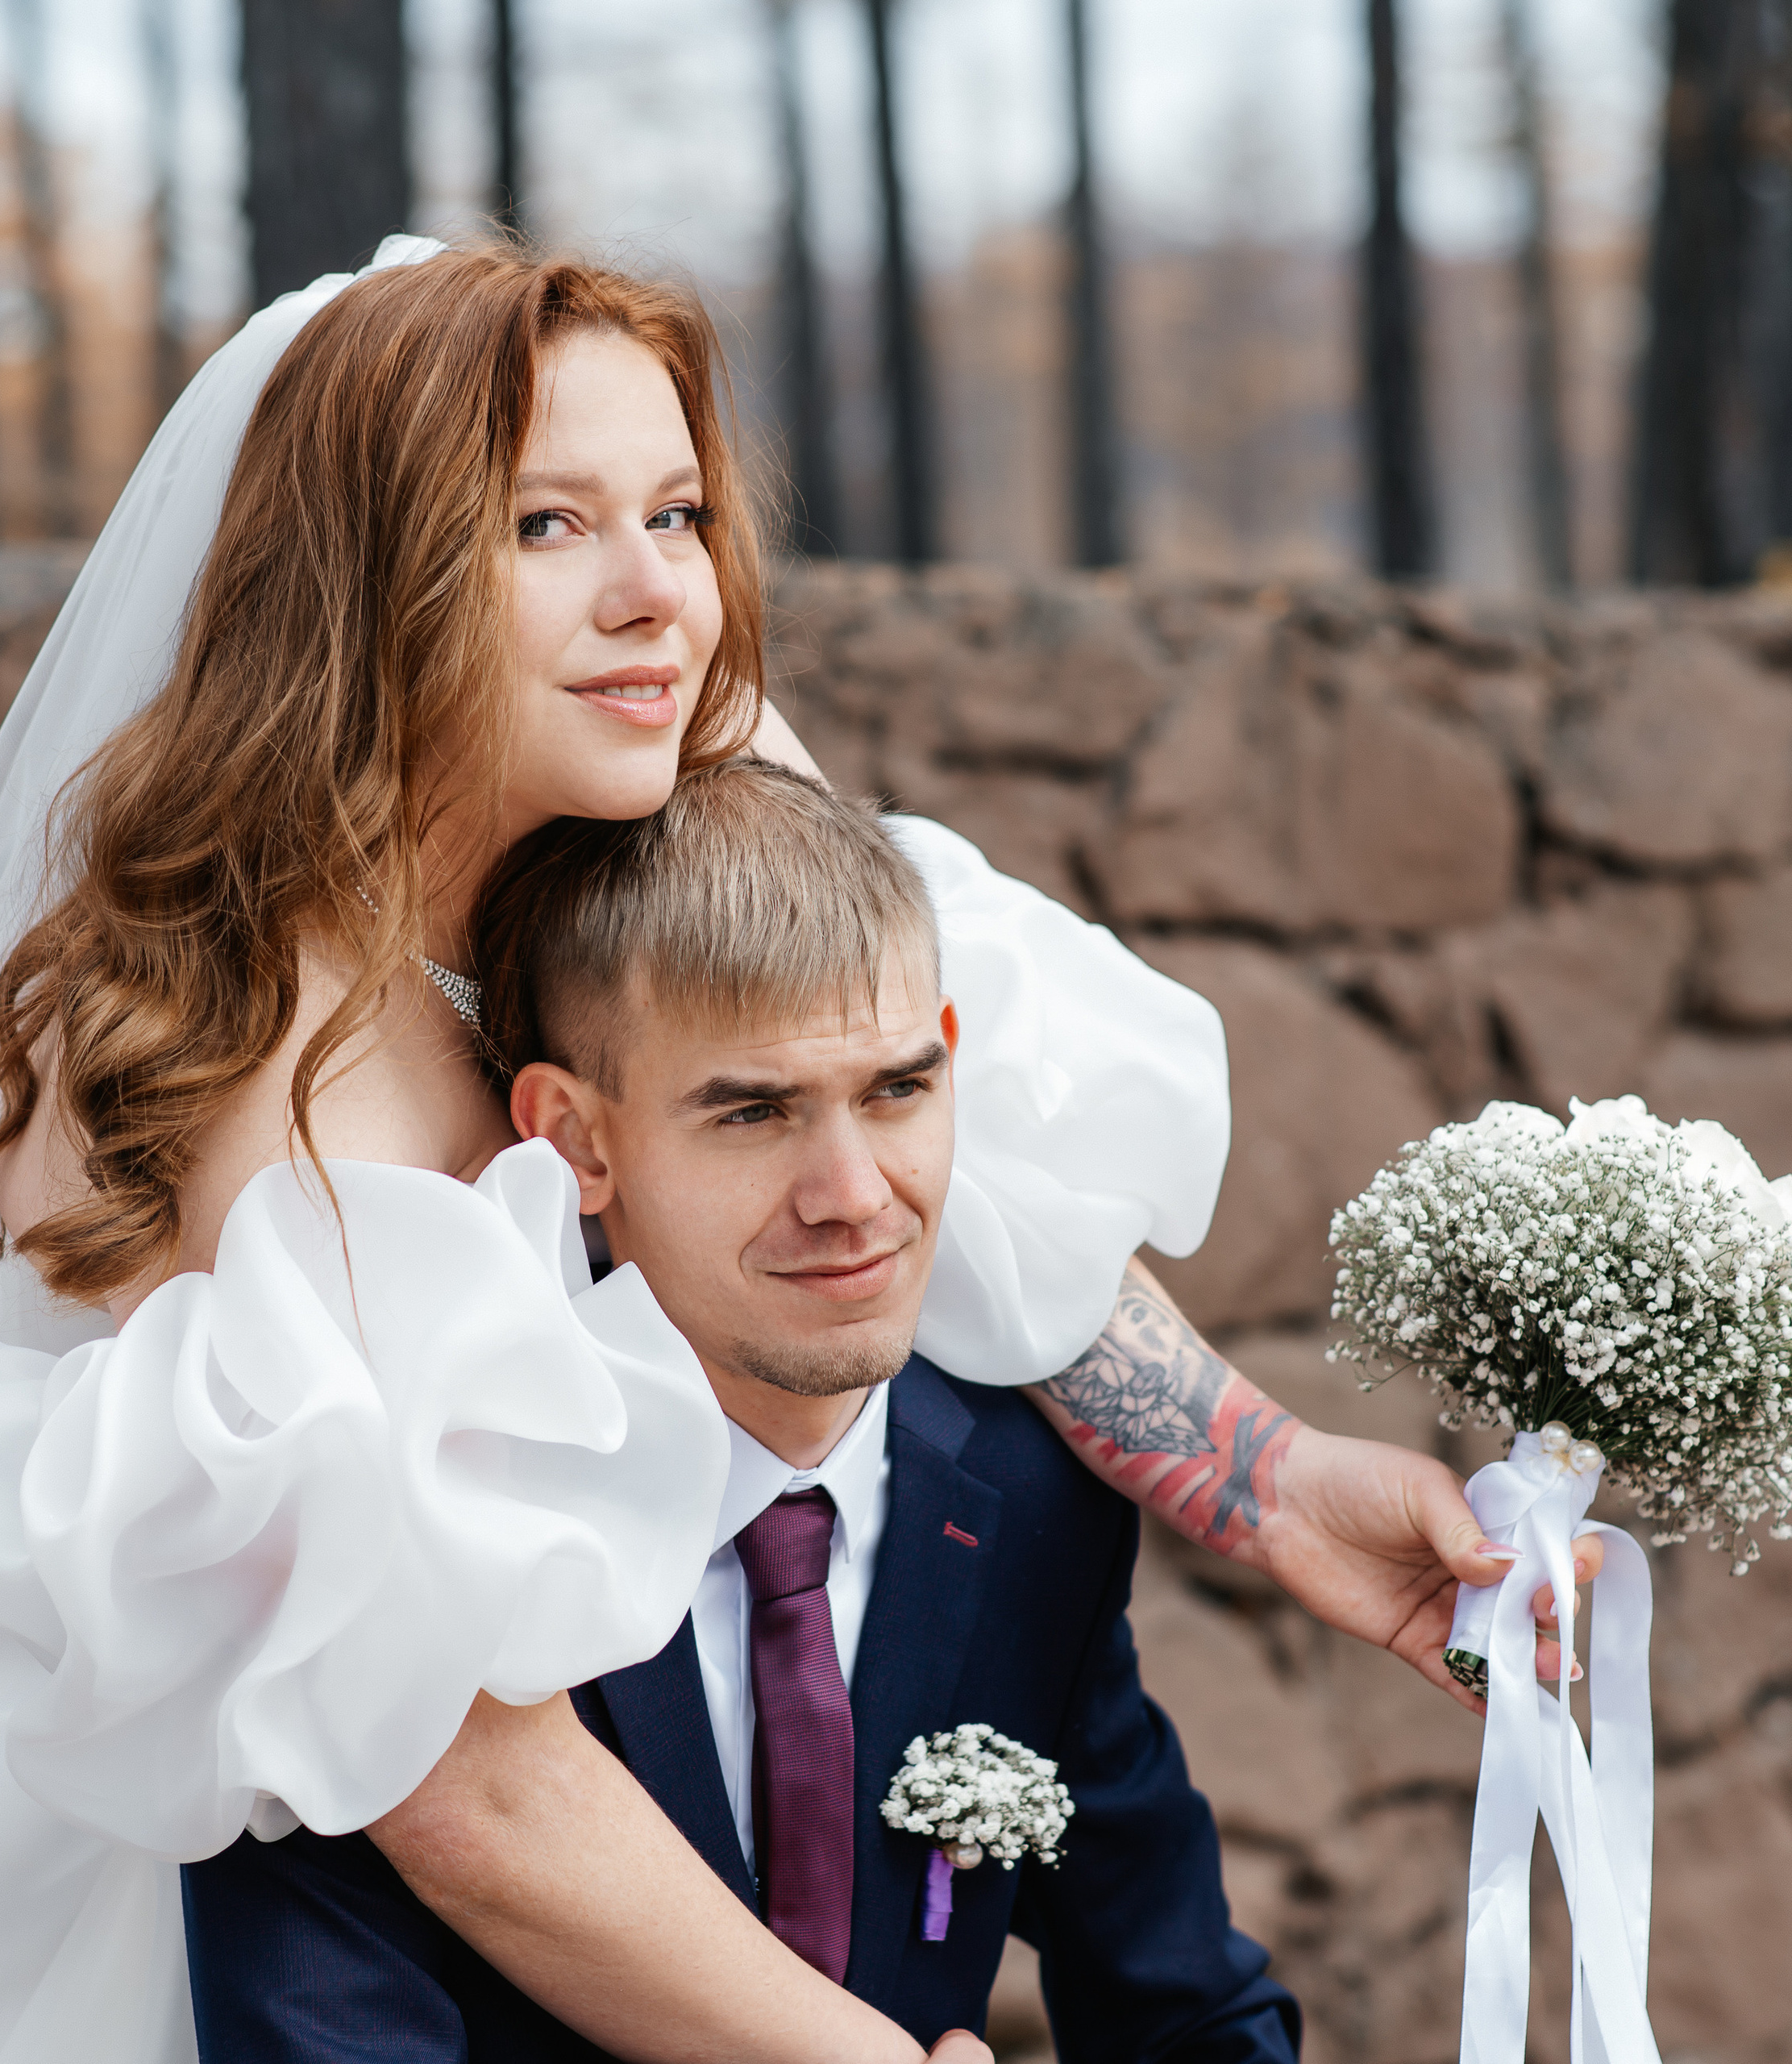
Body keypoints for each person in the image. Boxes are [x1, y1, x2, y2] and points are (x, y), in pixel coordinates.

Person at [0, 235, 1582, 2064]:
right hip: (59, 1814)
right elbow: (461, 1777)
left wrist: (1258, 1481)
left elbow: (962, 1159)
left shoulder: (652, 741)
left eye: (676, 513)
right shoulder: (280, 1063)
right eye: (543, 526)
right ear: (372, 577)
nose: (651, 597)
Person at [181, 756, 1303, 2062]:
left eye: (897, 1092)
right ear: (577, 1143)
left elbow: (1201, 2015)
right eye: (754, 1113)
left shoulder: (1024, 1493)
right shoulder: (403, 1529)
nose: (855, 1195)